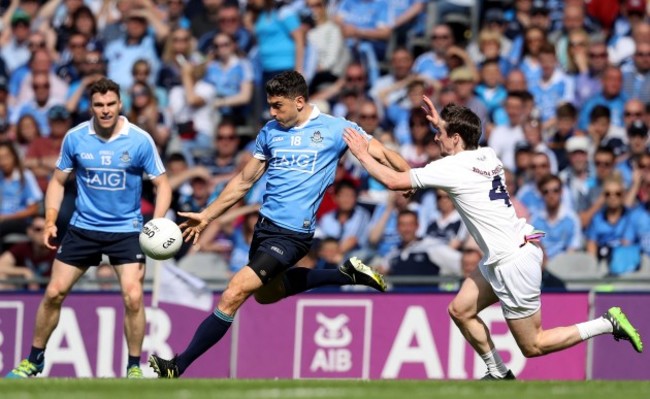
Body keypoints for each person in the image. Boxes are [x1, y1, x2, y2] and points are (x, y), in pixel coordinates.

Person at [342, 98, 644, 380]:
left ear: (457, 138)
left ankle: (607, 323)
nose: (436, 138)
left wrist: (361, 155)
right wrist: (441, 124)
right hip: (510, 250)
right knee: (460, 310)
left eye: (440, 134)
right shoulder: (487, 154)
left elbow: (395, 181)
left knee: (533, 345)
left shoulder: (451, 168)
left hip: (511, 261)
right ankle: (498, 372)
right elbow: (459, 145)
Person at [148, 71, 410, 378]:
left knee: (234, 292)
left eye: (277, 105)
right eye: (270, 105)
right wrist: (207, 215)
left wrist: (409, 176)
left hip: (293, 234)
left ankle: (177, 365)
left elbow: (382, 152)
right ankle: (345, 273)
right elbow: (244, 181)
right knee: (266, 295)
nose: (272, 112)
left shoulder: (337, 129)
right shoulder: (270, 131)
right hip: (265, 229)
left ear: (299, 102)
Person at [5, 78, 172, 379]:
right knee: (54, 292)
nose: (105, 110)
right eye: (99, 105)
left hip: (126, 230)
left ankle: (134, 367)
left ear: (120, 104)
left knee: (133, 296)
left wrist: (157, 223)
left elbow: (162, 184)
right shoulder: (75, 138)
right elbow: (57, 182)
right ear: (91, 107)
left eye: (110, 104)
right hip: (84, 228)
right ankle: (34, 360)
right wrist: (52, 219)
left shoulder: (139, 140)